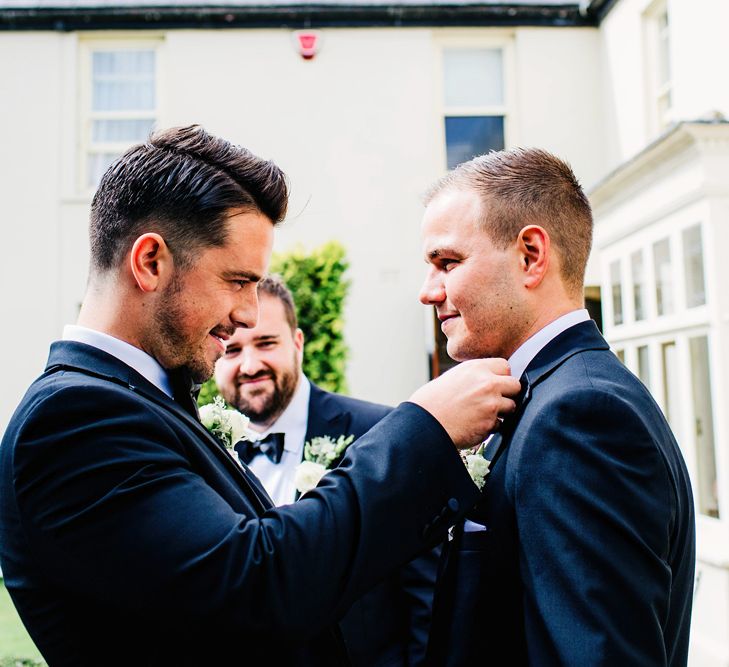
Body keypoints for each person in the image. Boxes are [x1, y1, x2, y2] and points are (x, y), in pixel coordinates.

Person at [0, 125, 521, 666]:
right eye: (236, 280)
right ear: (150, 262)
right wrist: (425, 430)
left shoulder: (140, 398)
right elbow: (257, 587)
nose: (248, 313)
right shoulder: (72, 420)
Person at [419, 148, 695, 666]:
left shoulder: (581, 417)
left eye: (447, 262)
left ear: (531, 255)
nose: (427, 291)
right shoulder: (545, 396)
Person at [214, 274, 437, 666]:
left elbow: (425, 595)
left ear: (297, 343)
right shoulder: (202, 450)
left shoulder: (378, 433)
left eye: (266, 343)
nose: (250, 365)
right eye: (232, 350)